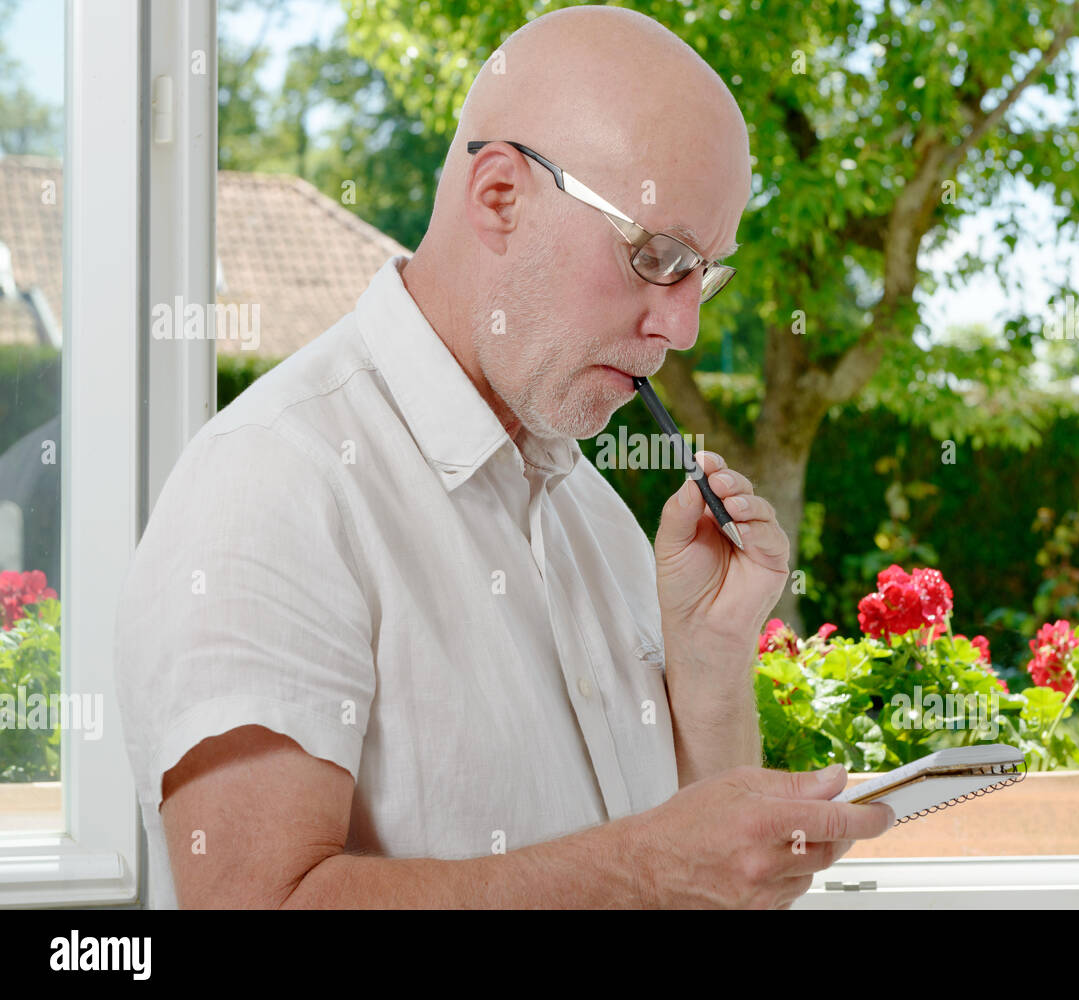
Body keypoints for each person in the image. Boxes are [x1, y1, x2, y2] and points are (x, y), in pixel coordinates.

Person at [113, 4, 892, 910]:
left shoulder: (590, 514)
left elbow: (699, 882)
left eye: (703, 276)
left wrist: (712, 663)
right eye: (657, 257)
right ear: (500, 198)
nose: (680, 328)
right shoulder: (271, 483)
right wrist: (639, 871)